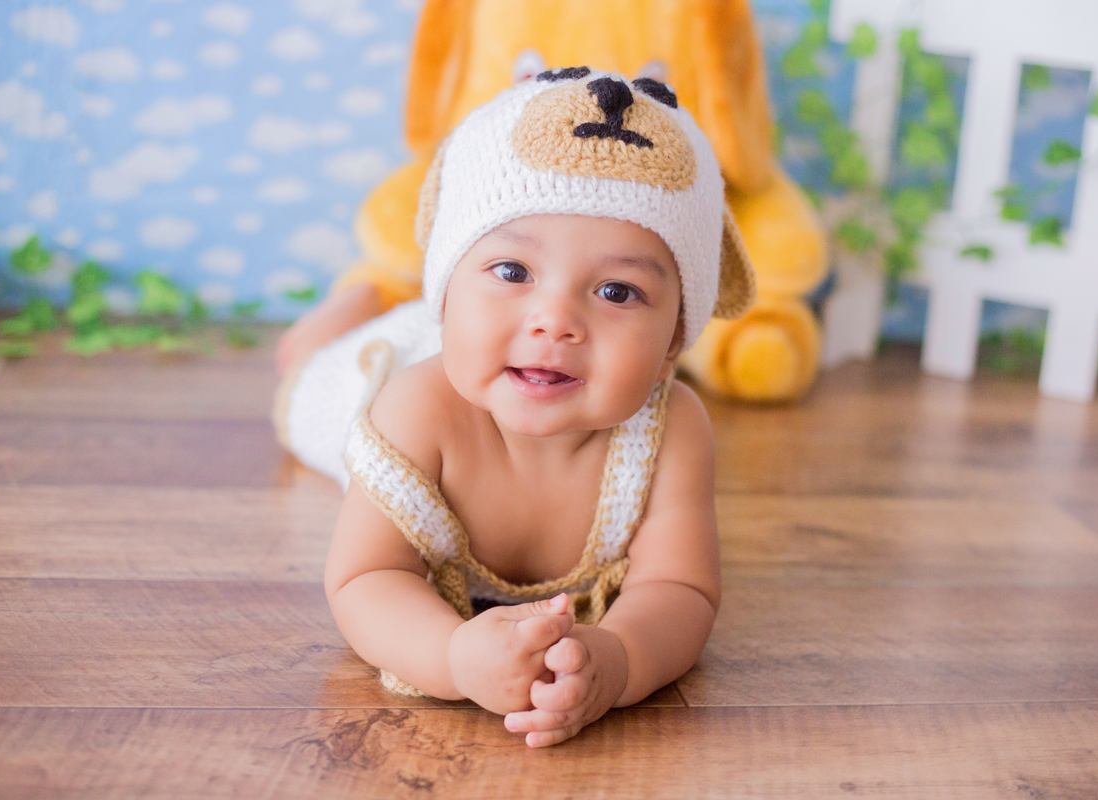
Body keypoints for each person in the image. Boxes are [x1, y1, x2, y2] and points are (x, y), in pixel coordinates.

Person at [277, 67, 755, 747]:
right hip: (377, 368)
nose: (554, 321)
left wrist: (618, 661)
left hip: (475, 342)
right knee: (304, 385)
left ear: (676, 335)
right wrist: (451, 656)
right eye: (512, 272)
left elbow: (681, 590)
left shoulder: (670, 429)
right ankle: (346, 308)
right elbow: (364, 577)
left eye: (617, 292)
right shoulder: (412, 408)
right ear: (447, 286)